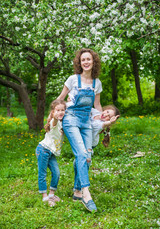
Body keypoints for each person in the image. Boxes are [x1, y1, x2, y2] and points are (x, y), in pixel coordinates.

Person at [57, 48, 102, 212]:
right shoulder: (72, 80)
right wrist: (54, 115)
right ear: (79, 62)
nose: (86, 62)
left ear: (94, 61)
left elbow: (96, 106)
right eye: (83, 60)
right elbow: (60, 98)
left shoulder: (97, 83)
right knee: (81, 153)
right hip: (71, 118)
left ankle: (77, 191)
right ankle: (86, 193)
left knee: (87, 156)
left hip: (87, 121)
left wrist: (102, 119)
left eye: (89, 59)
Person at [73, 105, 120, 199]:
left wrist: (109, 122)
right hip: (82, 143)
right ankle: (77, 186)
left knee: (83, 163)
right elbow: (86, 107)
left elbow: (102, 125)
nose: (105, 115)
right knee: (76, 164)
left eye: (108, 116)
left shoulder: (99, 124)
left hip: (89, 146)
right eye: (106, 111)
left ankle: (78, 189)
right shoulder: (96, 113)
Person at [36, 99, 66, 207]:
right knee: (42, 174)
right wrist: (54, 116)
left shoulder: (63, 123)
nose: (61, 112)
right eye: (58, 110)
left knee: (56, 173)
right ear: (53, 112)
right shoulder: (55, 122)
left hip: (51, 153)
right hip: (43, 150)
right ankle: (45, 196)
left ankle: (51, 194)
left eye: (63, 110)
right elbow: (55, 120)